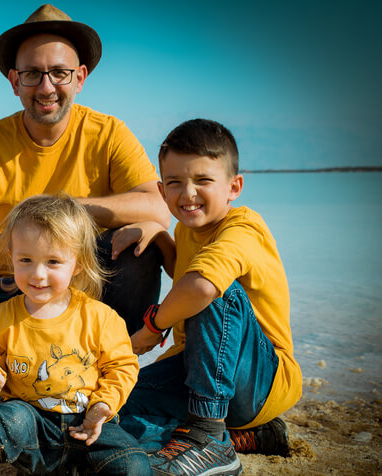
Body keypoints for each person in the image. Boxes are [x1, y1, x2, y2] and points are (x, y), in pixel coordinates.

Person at [0, 4, 170, 377]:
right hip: (10, 284)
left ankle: (103, 362)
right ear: (15, 81)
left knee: (141, 246)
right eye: (33, 74)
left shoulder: (111, 134)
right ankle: (19, 359)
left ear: (80, 77)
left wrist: (64, 207)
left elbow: (157, 207)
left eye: (59, 73)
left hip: (81, 283)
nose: (47, 87)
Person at [0, 194, 150, 476]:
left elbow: (122, 367)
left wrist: (103, 406)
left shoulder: (100, 318)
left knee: (133, 462)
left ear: (79, 263)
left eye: (53, 262)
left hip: (90, 425)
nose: (37, 273)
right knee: (3, 420)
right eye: (26, 259)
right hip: (30, 428)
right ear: (10, 257)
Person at [111, 119, 301, 475]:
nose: (188, 194)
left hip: (261, 379)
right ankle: (248, 437)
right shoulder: (185, 230)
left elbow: (198, 288)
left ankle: (209, 437)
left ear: (234, 186)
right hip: (196, 371)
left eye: (203, 180)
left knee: (215, 288)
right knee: (115, 404)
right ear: (161, 189)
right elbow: (181, 273)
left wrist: (152, 326)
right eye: (175, 183)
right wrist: (156, 232)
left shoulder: (244, 229)